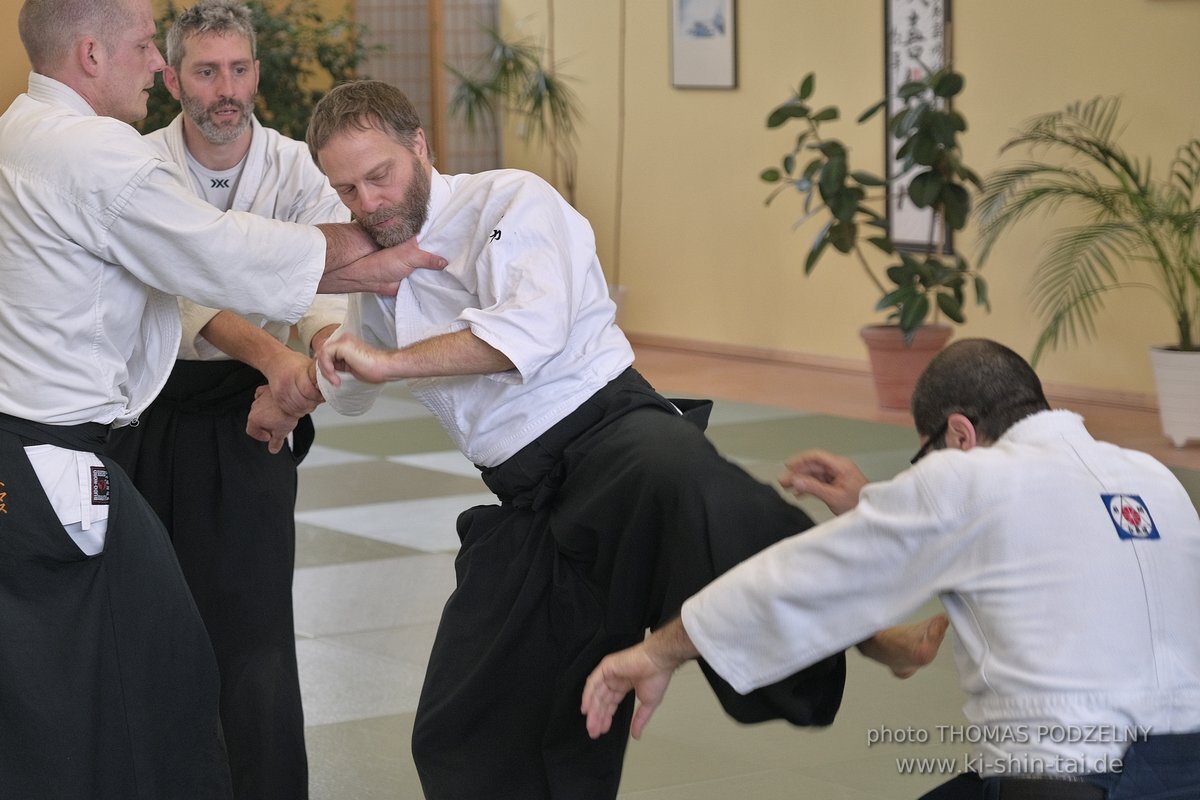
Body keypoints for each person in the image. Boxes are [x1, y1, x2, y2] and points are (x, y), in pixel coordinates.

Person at [295, 78, 943, 800]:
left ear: (419, 146)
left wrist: (385, 361)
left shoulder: (509, 201)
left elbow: (525, 336)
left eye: (378, 176)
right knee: (465, 724)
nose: (367, 202)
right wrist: (325, 353)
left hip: (611, 430)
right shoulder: (380, 261)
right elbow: (353, 388)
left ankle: (874, 634)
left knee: (712, 509)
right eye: (347, 189)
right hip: (525, 494)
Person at [0, 1, 443, 797]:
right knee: (150, 657)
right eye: (151, 50)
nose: (162, 71)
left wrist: (313, 350)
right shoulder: (104, 154)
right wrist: (379, 246)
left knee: (101, 657)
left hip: (48, 444)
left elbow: (236, 270)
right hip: (76, 448)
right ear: (94, 55)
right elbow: (213, 258)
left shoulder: (22, 126)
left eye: (237, 68)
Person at [582, 338, 1200, 800]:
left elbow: (803, 582)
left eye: (927, 453)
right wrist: (873, 504)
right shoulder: (1153, 478)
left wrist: (659, 651)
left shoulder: (968, 480)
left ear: (958, 432)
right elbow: (1030, 542)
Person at [101, 2, 344, 797]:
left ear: (257, 72)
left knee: (256, 629)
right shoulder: (138, 165)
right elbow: (179, 289)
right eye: (206, 71)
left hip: (254, 420)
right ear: (172, 76)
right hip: (153, 411)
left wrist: (317, 358)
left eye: (239, 69)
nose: (225, 89)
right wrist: (276, 357)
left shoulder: (293, 165)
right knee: (152, 621)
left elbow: (323, 275)